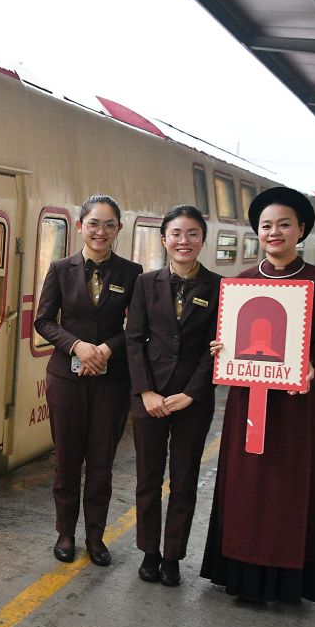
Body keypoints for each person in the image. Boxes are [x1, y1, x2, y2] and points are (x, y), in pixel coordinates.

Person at [200, 186, 315, 604]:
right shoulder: (241, 283)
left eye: (284, 224)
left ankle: (284, 578)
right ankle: (238, 568)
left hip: (296, 405)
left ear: (300, 230)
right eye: (266, 225)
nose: (274, 232)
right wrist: (222, 347)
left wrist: (312, 360)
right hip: (248, 399)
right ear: (257, 233)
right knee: (246, 482)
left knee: (288, 484)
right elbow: (229, 335)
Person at [34, 194, 142, 567]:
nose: (100, 231)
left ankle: (95, 535)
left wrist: (107, 350)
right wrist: (77, 346)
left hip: (112, 381)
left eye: (109, 225)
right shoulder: (60, 269)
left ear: (118, 230)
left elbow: (136, 327)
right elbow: (44, 320)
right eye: (93, 223)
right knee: (66, 459)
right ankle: (66, 532)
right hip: (66, 377)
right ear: (80, 226)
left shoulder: (132, 273)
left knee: (101, 462)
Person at [125, 206, 220, 587]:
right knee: (148, 478)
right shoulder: (146, 284)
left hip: (192, 401)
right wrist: (145, 391)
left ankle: (173, 557)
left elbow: (215, 348)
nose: (184, 241)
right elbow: (134, 340)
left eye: (192, 233)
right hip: (149, 397)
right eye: (176, 233)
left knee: (184, 479)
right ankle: (149, 551)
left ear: (202, 240)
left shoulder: (219, 287)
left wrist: (192, 394)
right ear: (164, 239)